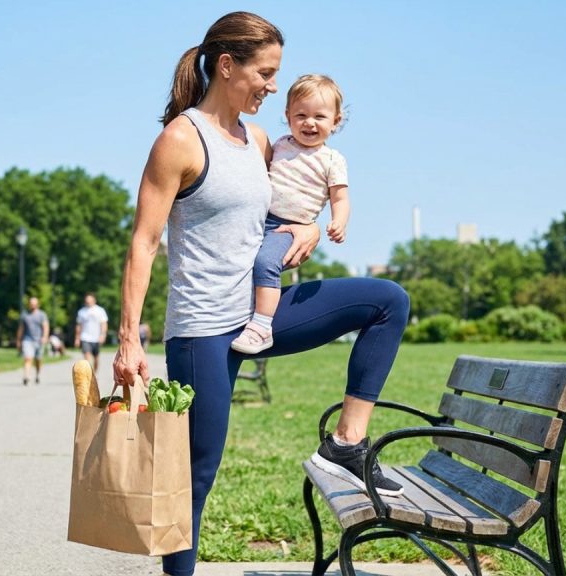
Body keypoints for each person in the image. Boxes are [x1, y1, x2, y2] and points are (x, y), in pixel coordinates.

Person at [111, 12, 410, 576]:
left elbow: (286, 206)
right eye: (266, 73)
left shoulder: (259, 140)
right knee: (196, 474)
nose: (274, 87)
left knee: (387, 300)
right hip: (203, 328)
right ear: (228, 67)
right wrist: (130, 341)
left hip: (260, 315)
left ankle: (348, 442)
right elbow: (144, 241)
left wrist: (309, 226)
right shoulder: (181, 138)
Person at [231, 74, 350, 354]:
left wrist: (338, 222)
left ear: (335, 121)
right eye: (301, 115)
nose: (309, 122)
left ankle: (261, 326)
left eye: (319, 116)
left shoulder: (332, 160)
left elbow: (341, 197)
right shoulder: (281, 144)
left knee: (265, 262)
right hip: (261, 219)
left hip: (290, 227)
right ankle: (241, 314)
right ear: (287, 116)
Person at [16, 297, 49, 385]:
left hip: (39, 340)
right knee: (28, 358)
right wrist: (19, 340)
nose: (33, 305)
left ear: (38, 304)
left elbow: (45, 326)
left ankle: (38, 374)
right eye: (31, 303)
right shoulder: (25, 315)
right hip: (27, 340)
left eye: (35, 303)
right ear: (29, 304)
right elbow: (21, 329)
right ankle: (26, 376)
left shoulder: (42, 314)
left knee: (38, 360)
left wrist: (44, 337)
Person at [74, 293, 108, 375]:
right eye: (87, 301)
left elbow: (104, 323)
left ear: (94, 301)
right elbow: (79, 326)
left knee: (96, 358)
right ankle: (88, 375)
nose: (88, 303)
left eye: (90, 301)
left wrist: (103, 335)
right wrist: (77, 338)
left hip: (96, 338)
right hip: (85, 337)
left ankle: (95, 374)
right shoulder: (81, 312)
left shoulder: (100, 310)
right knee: (87, 358)